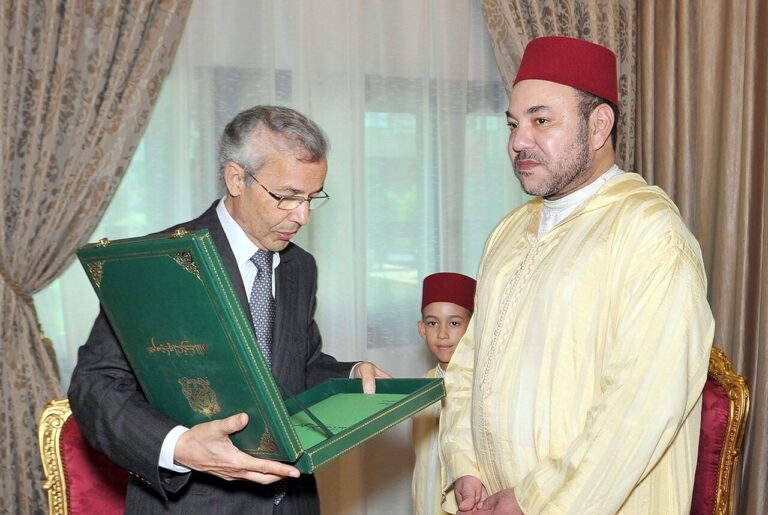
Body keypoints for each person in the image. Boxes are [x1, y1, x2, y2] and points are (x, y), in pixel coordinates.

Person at [439, 36, 715, 515]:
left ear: (599, 125)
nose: (518, 141)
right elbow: (469, 363)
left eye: (541, 120)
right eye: (513, 124)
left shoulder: (649, 234)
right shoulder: (509, 232)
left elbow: (642, 406)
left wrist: (534, 501)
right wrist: (465, 464)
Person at [68, 105, 390, 515]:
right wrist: (180, 446)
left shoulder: (300, 266)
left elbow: (294, 368)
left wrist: (350, 375)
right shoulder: (156, 262)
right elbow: (95, 385)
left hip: (292, 502)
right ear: (236, 178)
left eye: (312, 198)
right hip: (192, 503)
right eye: (288, 197)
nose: (303, 216)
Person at [412, 272, 477, 515]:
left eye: (454, 323)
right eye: (432, 323)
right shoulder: (423, 386)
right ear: (421, 329)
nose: (442, 334)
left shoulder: (481, 388)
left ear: (473, 328)